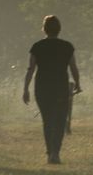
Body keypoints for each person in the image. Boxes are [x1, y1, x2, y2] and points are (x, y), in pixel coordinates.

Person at [23, 14, 81, 164]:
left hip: (42, 87)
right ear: (59, 29)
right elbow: (73, 67)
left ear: (44, 29)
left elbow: (30, 69)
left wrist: (25, 89)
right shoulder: (67, 46)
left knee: (47, 120)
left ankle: (50, 152)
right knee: (60, 121)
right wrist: (78, 83)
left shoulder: (37, 47)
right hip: (61, 87)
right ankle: (56, 152)